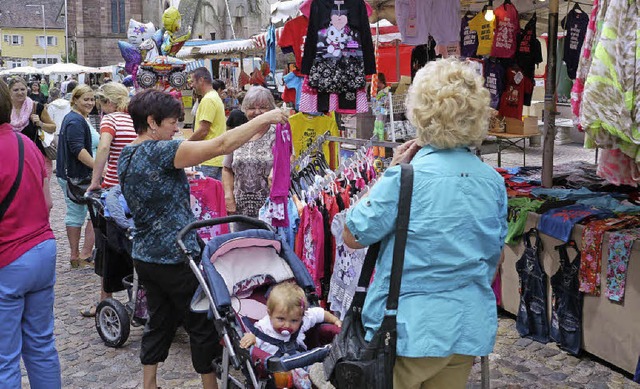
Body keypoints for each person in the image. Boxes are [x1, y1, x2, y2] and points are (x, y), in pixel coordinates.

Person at [343, 58, 508, 389]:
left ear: (420, 111)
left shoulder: (406, 176)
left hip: (405, 331)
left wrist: (387, 173)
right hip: (464, 325)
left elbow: (353, 234)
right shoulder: (492, 181)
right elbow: (495, 257)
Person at [118, 89, 288, 389]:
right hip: (176, 256)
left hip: (145, 255)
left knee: (159, 319)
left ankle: (150, 384)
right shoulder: (161, 152)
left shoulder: (127, 155)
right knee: (201, 323)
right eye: (172, 121)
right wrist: (269, 117)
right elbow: (221, 144)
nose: (177, 128)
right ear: (152, 122)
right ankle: (210, 384)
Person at [0, 79, 61, 388]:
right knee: (41, 345)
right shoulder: (27, 143)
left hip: (8, 260)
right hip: (42, 250)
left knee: (4, 359)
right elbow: (48, 203)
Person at [81, 82, 136, 317]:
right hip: (136, 191)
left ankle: (104, 300)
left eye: (102, 103)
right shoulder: (135, 118)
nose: (101, 109)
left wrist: (95, 181)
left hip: (114, 190)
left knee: (107, 246)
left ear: (109, 102)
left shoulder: (111, 120)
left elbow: (103, 148)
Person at [239, 282, 341, 388]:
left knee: (314, 365)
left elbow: (320, 314)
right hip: (279, 371)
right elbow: (253, 338)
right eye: (281, 319)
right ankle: (310, 384)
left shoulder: (302, 319)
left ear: (301, 316)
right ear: (270, 313)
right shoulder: (263, 328)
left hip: (301, 359)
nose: (287, 325)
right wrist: (251, 338)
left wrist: (335, 320)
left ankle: (321, 378)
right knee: (293, 375)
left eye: (294, 320)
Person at [56, 85, 100, 269]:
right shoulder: (75, 120)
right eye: (86, 99)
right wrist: (99, 169)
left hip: (79, 174)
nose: (90, 103)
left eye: (92, 99)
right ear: (75, 100)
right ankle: (81, 255)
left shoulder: (80, 118)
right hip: (77, 175)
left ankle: (81, 255)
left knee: (88, 213)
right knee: (86, 213)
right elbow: (78, 150)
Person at [222, 86, 277, 221]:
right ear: (245, 109)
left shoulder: (278, 134)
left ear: (270, 109)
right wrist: (228, 196)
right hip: (239, 210)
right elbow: (227, 168)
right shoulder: (237, 134)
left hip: (271, 210)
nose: (257, 112)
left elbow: (288, 162)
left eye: (263, 107)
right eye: (251, 108)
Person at [9, 76, 57, 178]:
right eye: (16, 90)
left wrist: (40, 123)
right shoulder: (6, 109)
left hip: (37, 157)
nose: (20, 92)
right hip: (14, 158)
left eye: (23, 89)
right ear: (9, 92)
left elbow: (53, 127)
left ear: (27, 90)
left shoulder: (36, 107)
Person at [189, 67, 227, 180]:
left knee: (203, 196)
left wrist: (186, 145)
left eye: (193, 81)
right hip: (216, 158)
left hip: (207, 159)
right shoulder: (214, 96)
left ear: (201, 80)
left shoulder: (208, 100)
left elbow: (203, 130)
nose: (192, 85)